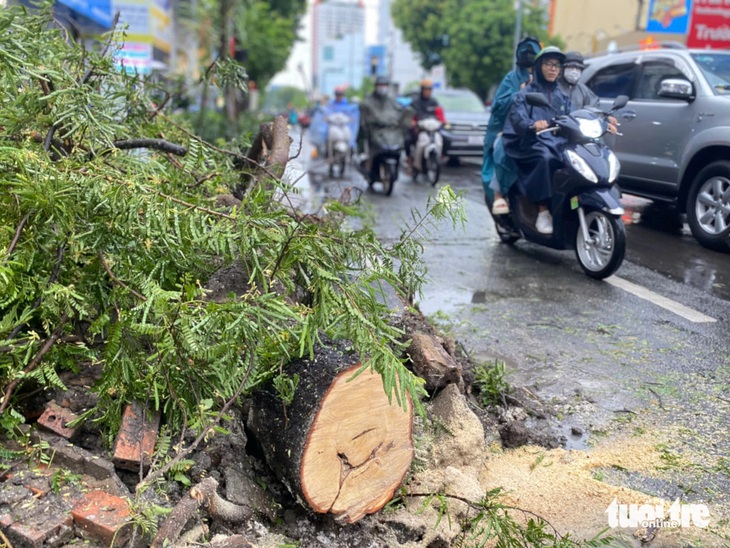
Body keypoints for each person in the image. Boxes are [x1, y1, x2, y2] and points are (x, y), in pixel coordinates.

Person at [502, 46, 571, 235]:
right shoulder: (524, 94)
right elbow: (518, 120)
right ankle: (542, 210)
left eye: (557, 65)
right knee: (545, 158)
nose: (553, 69)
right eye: (549, 64)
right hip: (527, 143)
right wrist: (533, 125)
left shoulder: (562, 96)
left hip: (555, 142)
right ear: (539, 66)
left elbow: (573, 116)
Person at [482, 36, 542, 216]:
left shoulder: (544, 80)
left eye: (533, 53)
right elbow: (499, 105)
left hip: (539, 131)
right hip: (508, 130)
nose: (529, 56)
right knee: (501, 151)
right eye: (526, 52)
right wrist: (520, 92)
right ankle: (499, 194)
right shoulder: (512, 78)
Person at [359, 75, 409, 184]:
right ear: (376, 86)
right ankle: (370, 168)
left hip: (391, 131)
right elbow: (365, 117)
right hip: (375, 131)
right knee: (372, 148)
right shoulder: (368, 101)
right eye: (380, 85)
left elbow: (399, 111)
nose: (382, 87)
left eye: (384, 85)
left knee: (400, 144)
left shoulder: (392, 100)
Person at [405, 79, 445, 176]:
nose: (427, 91)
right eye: (425, 89)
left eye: (429, 89)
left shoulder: (434, 102)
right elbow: (410, 116)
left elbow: (440, 115)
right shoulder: (415, 103)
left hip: (432, 129)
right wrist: (412, 122)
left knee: (442, 140)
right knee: (407, 140)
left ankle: (439, 157)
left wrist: (442, 121)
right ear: (422, 90)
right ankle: (411, 163)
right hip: (419, 129)